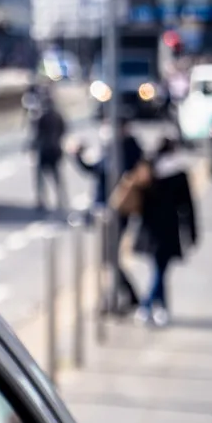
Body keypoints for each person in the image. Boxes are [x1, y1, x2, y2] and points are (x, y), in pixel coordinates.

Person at [72, 122, 143, 312]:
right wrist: (78, 156)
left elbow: (104, 170)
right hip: (109, 213)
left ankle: (127, 297)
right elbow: (97, 169)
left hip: (115, 213)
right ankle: (116, 297)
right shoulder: (119, 149)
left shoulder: (124, 149)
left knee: (109, 257)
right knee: (107, 258)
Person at [134, 136, 199, 328]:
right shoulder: (179, 174)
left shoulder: (148, 170)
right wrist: (193, 233)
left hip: (149, 228)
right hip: (169, 229)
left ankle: (155, 308)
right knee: (160, 270)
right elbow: (187, 207)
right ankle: (150, 306)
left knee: (158, 269)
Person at [31, 91, 67, 212]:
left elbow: (37, 134)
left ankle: (42, 200)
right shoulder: (58, 116)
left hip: (46, 150)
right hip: (54, 149)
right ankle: (59, 200)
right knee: (55, 177)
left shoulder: (41, 117)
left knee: (43, 177)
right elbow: (64, 130)